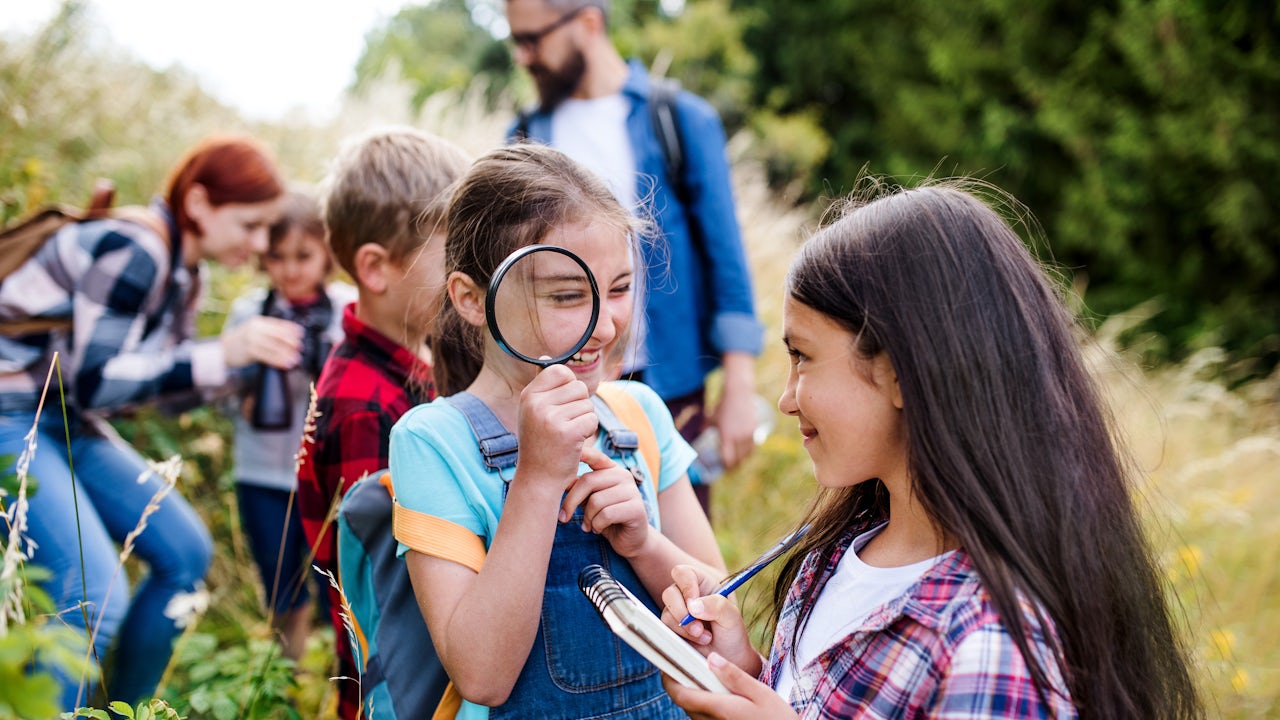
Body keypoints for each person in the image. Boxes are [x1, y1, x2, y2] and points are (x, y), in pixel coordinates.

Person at [660, 180, 1203, 719]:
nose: (785, 399)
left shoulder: (988, 646)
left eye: (802, 356)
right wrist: (742, 670)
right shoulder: (835, 553)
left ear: (900, 373)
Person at [388, 143, 726, 719]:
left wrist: (644, 543)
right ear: (472, 300)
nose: (604, 322)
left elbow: (719, 620)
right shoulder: (432, 442)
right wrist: (537, 481)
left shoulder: (639, 415)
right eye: (568, 296)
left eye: (619, 288)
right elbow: (482, 676)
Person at [0, 135, 300, 709]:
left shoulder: (186, 277)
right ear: (198, 203)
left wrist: (239, 377)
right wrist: (221, 354)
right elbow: (96, 381)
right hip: (12, 410)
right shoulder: (137, 248)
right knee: (89, 593)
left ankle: (125, 708)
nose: (259, 243)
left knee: (185, 552)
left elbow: (149, 391)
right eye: (249, 225)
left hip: (64, 417)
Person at [504, 0, 764, 518]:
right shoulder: (525, 138)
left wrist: (739, 382)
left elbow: (725, 255)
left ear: (588, 23)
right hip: (568, 382)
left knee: (678, 545)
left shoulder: (679, 119)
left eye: (533, 39)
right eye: (516, 41)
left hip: (674, 386)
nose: (523, 56)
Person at [295, 126, 470, 719]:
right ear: (376, 268)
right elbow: (389, 587)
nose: (469, 277)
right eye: (454, 256)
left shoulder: (412, 369)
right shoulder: (363, 406)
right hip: (403, 693)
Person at [221, 189, 355, 662]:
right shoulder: (249, 313)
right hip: (262, 472)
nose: (291, 269)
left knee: (338, 592)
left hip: (328, 475)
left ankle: (345, 686)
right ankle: (286, 683)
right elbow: (220, 394)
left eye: (304, 255)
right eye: (277, 257)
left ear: (327, 254)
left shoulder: (346, 310)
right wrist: (250, 392)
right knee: (281, 587)